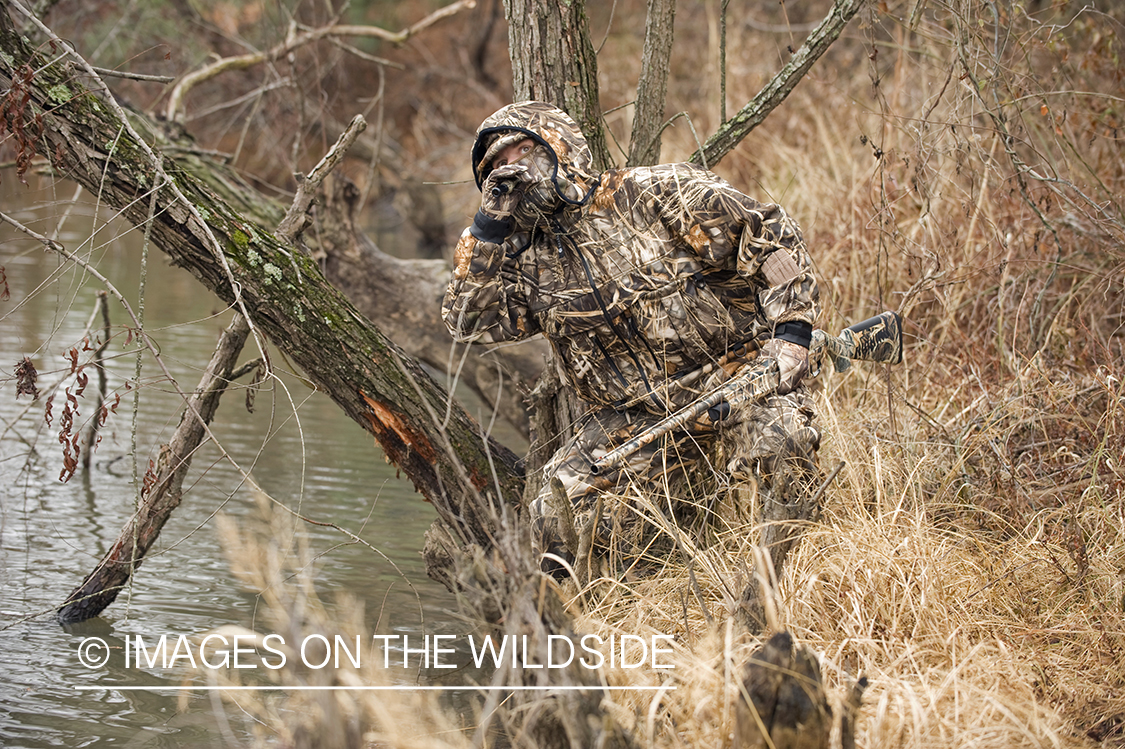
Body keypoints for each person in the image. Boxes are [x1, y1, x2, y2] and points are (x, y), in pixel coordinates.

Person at [442, 101, 820, 573]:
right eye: (497, 165)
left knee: (783, 443)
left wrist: (792, 334)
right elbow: (468, 325)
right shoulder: (519, 261)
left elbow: (768, 237)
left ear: (560, 147)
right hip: (637, 417)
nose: (513, 167)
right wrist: (486, 231)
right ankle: (577, 623)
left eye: (523, 150)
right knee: (552, 517)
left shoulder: (652, 193)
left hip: (740, 375)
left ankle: (782, 585)